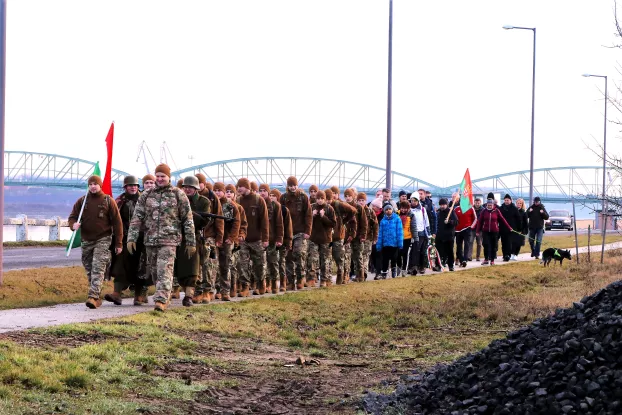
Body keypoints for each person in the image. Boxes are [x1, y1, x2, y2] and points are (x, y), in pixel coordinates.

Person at [127, 164, 196, 312]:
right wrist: (131, 238)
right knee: (155, 271)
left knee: (165, 268)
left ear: (168, 177)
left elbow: (187, 219)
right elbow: (137, 217)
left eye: (162, 176)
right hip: (150, 239)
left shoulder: (178, 194)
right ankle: (165, 294)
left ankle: (161, 300)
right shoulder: (147, 195)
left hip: (170, 240)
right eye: (157, 176)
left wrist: (191, 241)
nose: (159, 179)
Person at [68, 175, 123, 309]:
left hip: (103, 239)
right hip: (86, 240)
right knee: (89, 269)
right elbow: (72, 217)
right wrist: (72, 225)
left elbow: (117, 223)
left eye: (95, 184)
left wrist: (119, 243)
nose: (93, 186)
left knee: (98, 267)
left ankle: (93, 296)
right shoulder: (82, 201)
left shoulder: (108, 201)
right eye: (90, 184)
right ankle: (97, 297)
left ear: (100, 185)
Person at [106, 175, 150, 306]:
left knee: (141, 266)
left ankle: (139, 295)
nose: (133, 187)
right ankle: (117, 293)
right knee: (120, 264)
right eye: (130, 185)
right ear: (125, 187)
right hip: (124, 238)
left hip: (142, 239)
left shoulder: (145, 200)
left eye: (135, 185)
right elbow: (113, 218)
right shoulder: (120, 201)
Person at [174, 176, 210, 307]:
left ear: (196, 188)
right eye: (185, 187)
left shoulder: (203, 202)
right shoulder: (177, 199)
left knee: (193, 269)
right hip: (177, 237)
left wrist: (189, 214)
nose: (187, 189)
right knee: (179, 270)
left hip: (194, 238)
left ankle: (189, 296)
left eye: (190, 187)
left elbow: (203, 222)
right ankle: (185, 291)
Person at [236, 178, 269, 296]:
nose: (239, 188)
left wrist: (265, 239)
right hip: (243, 239)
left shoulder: (258, 200)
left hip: (257, 238)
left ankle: (261, 283)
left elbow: (265, 221)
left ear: (248, 187)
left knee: (259, 264)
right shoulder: (238, 200)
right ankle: (245, 287)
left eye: (241, 186)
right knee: (242, 263)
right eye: (238, 186)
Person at [194, 173, 224, 303]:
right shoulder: (190, 197)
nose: (197, 185)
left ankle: (208, 291)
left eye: (199, 182)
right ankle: (198, 291)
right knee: (196, 265)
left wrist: (219, 237)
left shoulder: (212, 198)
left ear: (204, 183)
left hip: (210, 236)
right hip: (195, 236)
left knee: (209, 265)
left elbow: (219, 218)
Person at [280, 176, 312, 290]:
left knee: (298, 254)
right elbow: (280, 216)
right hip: (287, 232)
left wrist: (308, 231)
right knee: (288, 256)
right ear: (287, 186)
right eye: (290, 185)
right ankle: (290, 281)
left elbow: (308, 215)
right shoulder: (283, 198)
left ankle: (300, 278)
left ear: (297, 185)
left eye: (294, 185)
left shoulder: (303, 197)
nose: (293, 187)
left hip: (300, 232)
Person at [212, 182, 240, 301]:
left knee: (225, 266)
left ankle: (225, 291)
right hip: (213, 239)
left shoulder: (230, 205)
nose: (217, 193)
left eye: (220, 190)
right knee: (214, 266)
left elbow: (237, 222)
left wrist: (231, 238)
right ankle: (216, 290)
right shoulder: (211, 203)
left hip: (227, 240)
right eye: (215, 190)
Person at [326, 188, 357, 285]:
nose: (327, 201)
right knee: (327, 259)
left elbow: (353, 211)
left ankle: (342, 274)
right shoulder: (323, 206)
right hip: (327, 237)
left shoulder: (339, 204)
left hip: (338, 236)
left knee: (340, 258)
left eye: (335, 193)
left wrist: (343, 221)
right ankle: (328, 279)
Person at [259, 184, 284, 294]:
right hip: (259, 238)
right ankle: (265, 283)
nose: (262, 193)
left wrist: (279, 238)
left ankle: (274, 283)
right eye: (260, 191)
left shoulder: (276, 205)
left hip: (272, 238)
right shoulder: (258, 203)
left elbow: (279, 223)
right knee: (261, 263)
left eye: (265, 190)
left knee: (273, 262)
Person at [308, 190, 336, 287]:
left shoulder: (329, 208)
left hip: (326, 239)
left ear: (324, 199)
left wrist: (323, 217)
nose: (320, 200)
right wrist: (312, 215)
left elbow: (333, 224)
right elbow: (307, 221)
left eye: (322, 198)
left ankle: (324, 279)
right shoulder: (312, 207)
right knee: (312, 259)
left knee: (325, 260)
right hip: (313, 238)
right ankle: (311, 278)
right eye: (318, 198)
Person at [475, 197, 512, 266]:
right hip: (485, 231)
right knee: (485, 244)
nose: (489, 206)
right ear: (486, 205)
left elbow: (503, 220)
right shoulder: (484, 211)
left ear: (493, 205)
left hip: (494, 231)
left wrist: (509, 227)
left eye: (491, 205)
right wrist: (477, 231)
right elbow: (480, 222)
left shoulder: (496, 211)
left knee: (493, 246)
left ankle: (492, 260)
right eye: (488, 205)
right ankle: (486, 259)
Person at [270, 189, 292, 292]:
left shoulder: (284, 210)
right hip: (271, 240)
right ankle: (270, 283)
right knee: (271, 262)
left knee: (281, 261)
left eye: (274, 196)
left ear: (278, 197)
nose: (271, 197)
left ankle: (283, 282)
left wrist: (288, 241)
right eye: (270, 195)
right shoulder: (268, 208)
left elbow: (288, 227)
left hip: (282, 240)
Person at [344, 188, 367, 283]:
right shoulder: (343, 206)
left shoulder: (359, 207)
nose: (347, 198)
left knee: (358, 256)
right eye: (346, 196)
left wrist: (363, 235)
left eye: (349, 196)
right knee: (348, 257)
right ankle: (348, 276)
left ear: (353, 196)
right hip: (347, 236)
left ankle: (360, 275)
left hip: (357, 236)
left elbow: (364, 223)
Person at [376, 204, 403, 279]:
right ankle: (384, 272)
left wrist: (400, 242)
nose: (388, 211)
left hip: (394, 243)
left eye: (389, 209)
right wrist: (379, 244)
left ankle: (394, 271)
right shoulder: (383, 221)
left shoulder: (397, 219)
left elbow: (399, 232)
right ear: (384, 211)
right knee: (385, 259)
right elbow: (380, 233)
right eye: (386, 209)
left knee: (394, 258)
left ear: (392, 210)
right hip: (385, 243)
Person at [408, 195, 430, 275]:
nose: (413, 202)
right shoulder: (409, 210)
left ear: (418, 201)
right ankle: (413, 267)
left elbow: (426, 221)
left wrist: (428, 233)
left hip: (422, 232)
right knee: (414, 251)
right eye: (412, 201)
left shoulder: (423, 210)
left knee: (422, 251)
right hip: (412, 233)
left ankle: (422, 266)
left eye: (415, 201)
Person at [436, 198, 458, 271]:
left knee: (449, 251)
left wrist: (449, 221)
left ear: (446, 205)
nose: (442, 206)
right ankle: (438, 265)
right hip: (440, 235)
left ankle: (451, 265)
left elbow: (456, 222)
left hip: (449, 235)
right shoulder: (438, 213)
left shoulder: (451, 212)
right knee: (439, 251)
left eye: (444, 205)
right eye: (441, 205)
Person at [454, 199, 477, 268]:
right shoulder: (456, 209)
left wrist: (471, 227)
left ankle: (465, 259)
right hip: (458, 230)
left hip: (467, 229)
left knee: (467, 244)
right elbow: (454, 218)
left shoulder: (471, 208)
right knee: (459, 246)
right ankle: (461, 260)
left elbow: (475, 218)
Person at [499, 194, 522, 262]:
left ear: (510, 200)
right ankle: (504, 255)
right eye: (505, 200)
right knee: (503, 243)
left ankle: (508, 255)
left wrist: (519, 229)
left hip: (511, 229)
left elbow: (518, 219)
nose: (506, 201)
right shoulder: (501, 208)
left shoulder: (514, 208)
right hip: (502, 228)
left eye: (508, 200)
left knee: (509, 242)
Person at [361, 194, 379, 281]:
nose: (361, 202)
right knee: (358, 256)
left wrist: (375, 238)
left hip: (368, 237)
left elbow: (375, 225)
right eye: (359, 200)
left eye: (363, 200)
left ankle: (363, 273)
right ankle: (359, 273)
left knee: (366, 256)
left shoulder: (370, 211)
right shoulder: (354, 210)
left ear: (366, 201)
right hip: (358, 238)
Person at [398, 201, 417, 277]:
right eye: (402, 208)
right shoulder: (396, 214)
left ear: (408, 208)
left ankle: (404, 269)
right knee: (398, 254)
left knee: (405, 254)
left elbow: (413, 227)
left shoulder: (411, 215)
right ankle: (398, 266)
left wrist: (415, 238)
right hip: (398, 237)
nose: (403, 210)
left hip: (407, 238)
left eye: (405, 208)